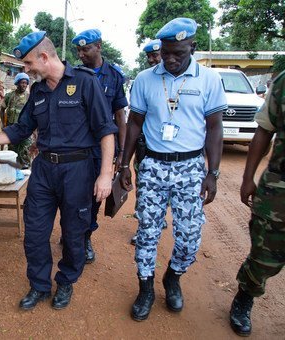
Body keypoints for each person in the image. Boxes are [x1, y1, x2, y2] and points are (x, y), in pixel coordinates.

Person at [0, 31, 117, 310]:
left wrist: (105, 174)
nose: (26, 69)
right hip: (44, 170)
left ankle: (67, 280)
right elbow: (21, 129)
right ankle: (39, 285)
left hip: (78, 170)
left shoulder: (85, 82)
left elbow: (106, 131)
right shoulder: (38, 90)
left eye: (29, 64)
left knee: (73, 233)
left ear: (44, 57)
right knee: (34, 231)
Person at [119, 18, 227, 321]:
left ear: (193, 47)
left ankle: (173, 277)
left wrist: (213, 173)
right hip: (153, 165)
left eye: (178, 53)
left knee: (190, 236)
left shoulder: (208, 79)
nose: (170, 59)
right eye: (166, 53)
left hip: (191, 167)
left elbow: (215, 128)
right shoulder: (144, 79)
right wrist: (123, 164)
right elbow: (135, 123)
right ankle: (145, 288)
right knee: (147, 233)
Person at [229, 71, 285, 337]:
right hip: (279, 192)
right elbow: (264, 131)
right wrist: (248, 177)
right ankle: (245, 296)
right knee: (265, 256)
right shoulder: (284, 83)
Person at [71, 28, 128, 264]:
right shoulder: (73, 74)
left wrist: (121, 152)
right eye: (79, 50)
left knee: (96, 195)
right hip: (75, 148)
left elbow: (119, 116)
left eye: (86, 49)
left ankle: (85, 237)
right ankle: (72, 232)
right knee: (72, 194)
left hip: (101, 151)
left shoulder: (114, 76)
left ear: (99, 46)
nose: (82, 54)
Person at [129, 39, 165, 246]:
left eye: (155, 55)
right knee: (143, 187)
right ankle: (143, 225)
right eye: (149, 56)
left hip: (172, 151)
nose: (152, 60)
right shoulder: (142, 81)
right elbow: (133, 119)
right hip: (146, 147)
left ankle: (158, 217)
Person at [0, 72, 32, 168]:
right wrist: (3, 123)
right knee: (12, 151)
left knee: (25, 150)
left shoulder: (29, 97)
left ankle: (26, 170)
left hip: (25, 129)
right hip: (12, 128)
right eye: (22, 82)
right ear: (17, 83)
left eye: (26, 83)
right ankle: (14, 169)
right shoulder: (9, 96)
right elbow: (2, 110)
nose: (24, 85)